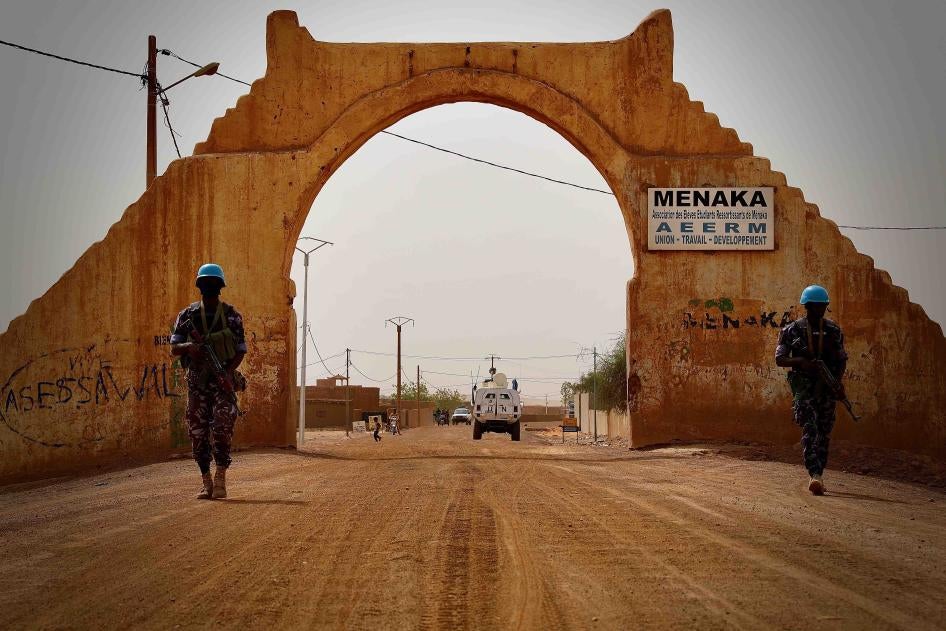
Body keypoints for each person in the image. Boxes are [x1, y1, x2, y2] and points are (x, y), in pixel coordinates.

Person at [170, 263, 247, 500]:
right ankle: (206, 480)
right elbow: (174, 347)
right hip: (197, 384)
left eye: (213, 284)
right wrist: (190, 348)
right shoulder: (187, 315)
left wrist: (227, 373)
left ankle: (221, 476)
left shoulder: (231, 315)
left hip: (222, 381)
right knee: (197, 431)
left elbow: (240, 350)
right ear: (200, 286)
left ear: (219, 287)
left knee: (223, 426)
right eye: (205, 284)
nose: (209, 288)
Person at [775, 285, 848, 495]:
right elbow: (780, 358)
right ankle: (814, 474)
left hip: (826, 389)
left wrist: (837, 383)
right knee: (810, 428)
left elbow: (841, 359)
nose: (820, 310)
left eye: (823, 306)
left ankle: (819, 474)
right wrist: (801, 361)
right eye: (816, 306)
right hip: (804, 389)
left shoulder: (833, 331)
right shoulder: (791, 330)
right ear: (807, 307)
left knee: (824, 433)